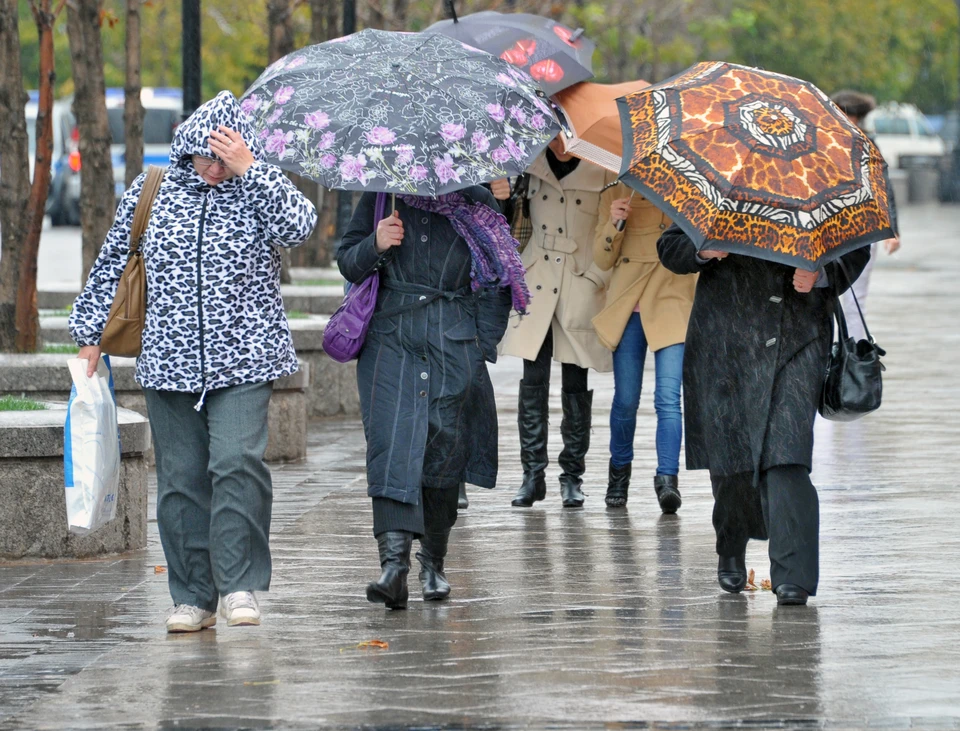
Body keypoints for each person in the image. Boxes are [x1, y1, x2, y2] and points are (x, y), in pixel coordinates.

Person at [68, 91, 318, 632]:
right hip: (169, 358)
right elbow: (115, 258)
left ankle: (240, 585)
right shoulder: (153, 189)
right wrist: (90, 333)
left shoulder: (256, 186)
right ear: (190, 147)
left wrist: (251, 171)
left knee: (237, 464)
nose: (215, 169)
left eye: (227, 160)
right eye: (210, 157)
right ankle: (193, 597)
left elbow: (301, 226)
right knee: (181, 479)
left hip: (245, 355)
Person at [657, 225, 870, 606]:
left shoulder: (816, 181)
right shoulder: (719, 174)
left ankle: (794, 576)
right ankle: (731, 545)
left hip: (798, 335)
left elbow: (855, 251)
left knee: (786, 452)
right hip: (725, 334)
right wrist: (705, 251)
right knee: (732, 451)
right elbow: (670, 246)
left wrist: (822, 274)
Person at [338, 186, 517, 610]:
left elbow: (499, 279)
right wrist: (376, 243)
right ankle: (393, 566)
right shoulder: (382, 197)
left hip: (452, 338)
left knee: (444, 448)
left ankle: (433, 561)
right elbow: (347, 260)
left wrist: (479, 344)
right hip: (389, 337)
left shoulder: (477, 204)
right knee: (390, 443)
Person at [498, 137, 612, 509]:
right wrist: (501, 193)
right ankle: (533, 476)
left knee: (575, 380)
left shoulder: (603, 166)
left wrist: (596, 277)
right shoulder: (526, 163)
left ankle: (571, 476)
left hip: (579, 282)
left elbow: (609, 231)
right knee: (533, 378)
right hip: (537, 279)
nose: (560, 140)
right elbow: (507, 218)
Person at [592, 181, 697, 511]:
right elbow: (602, 259)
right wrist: (615, 222)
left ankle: (667, 479)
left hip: (672, 298)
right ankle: (619, 474)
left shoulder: (689, 188)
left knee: (668, 398)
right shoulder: (616, 187)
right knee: (626, 399)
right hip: (628, 302)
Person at [831, 90, 901, 340]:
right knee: (832, 297)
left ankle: (855, 357)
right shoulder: (829, 142)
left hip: (862, 229)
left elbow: (885, 189)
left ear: (854, 116)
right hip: (833, 230)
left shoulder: (866, 145)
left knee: (854, 300)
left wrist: (891, 229)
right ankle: (836, 357)